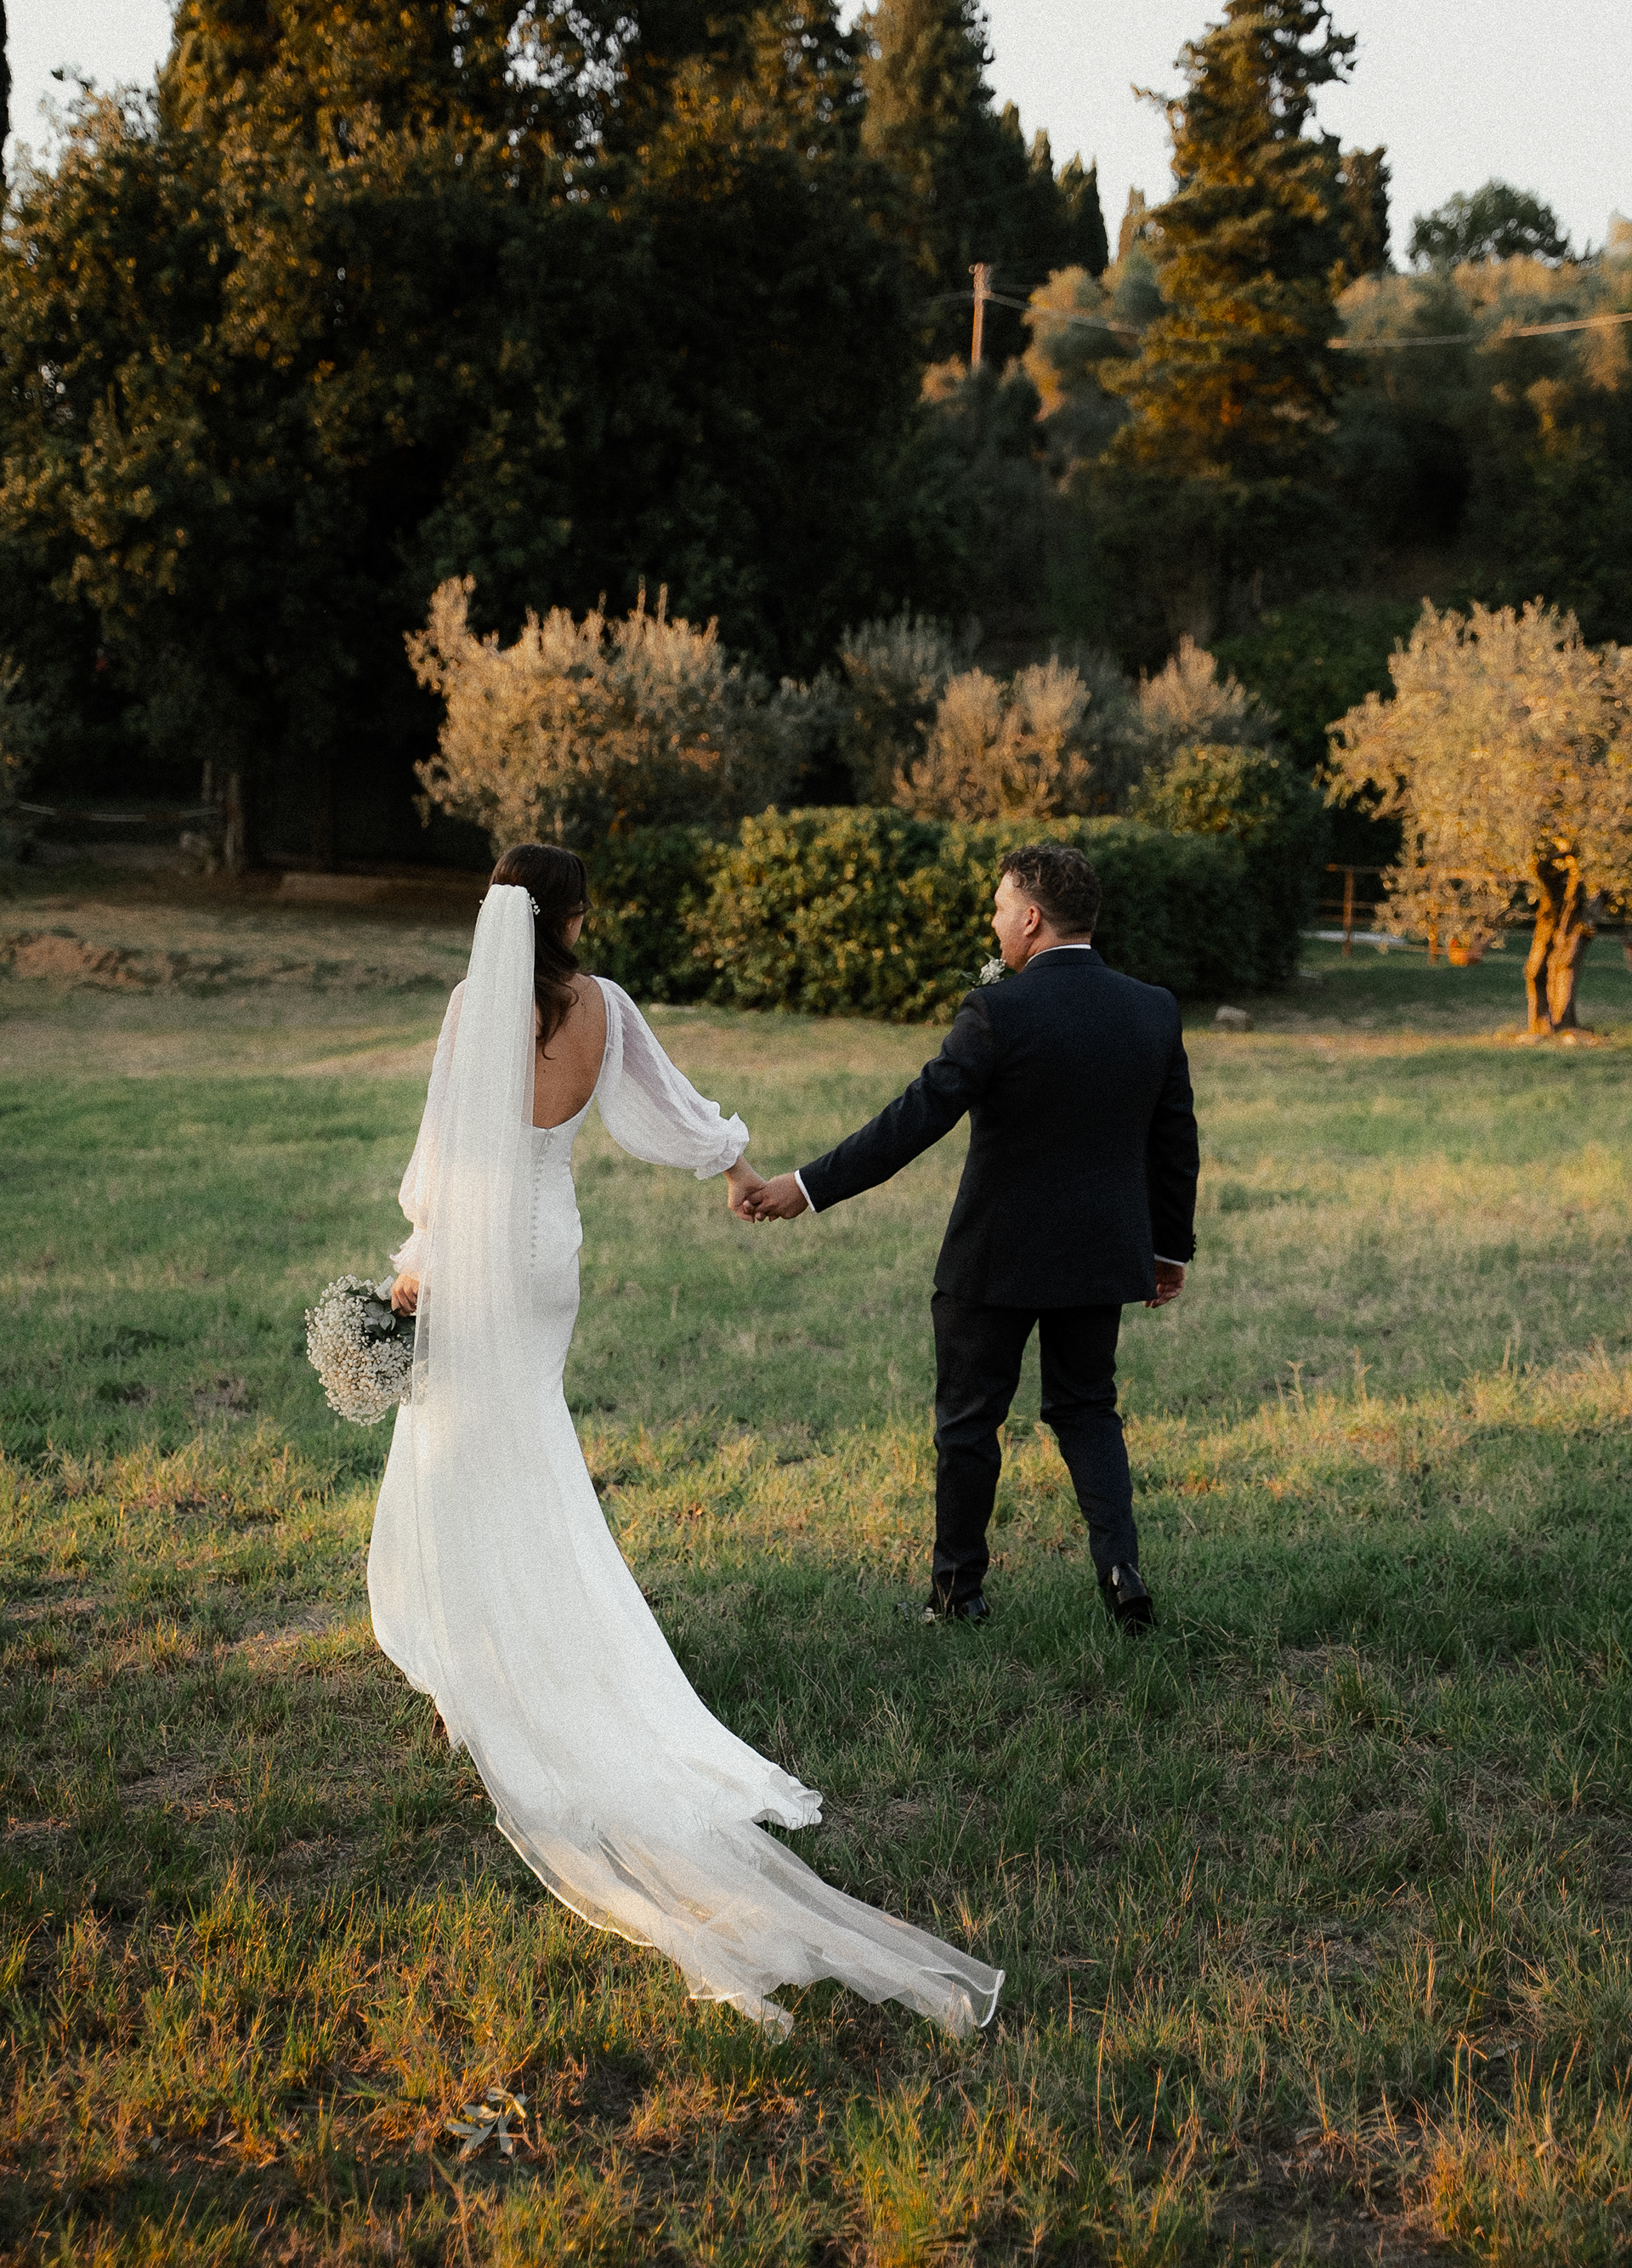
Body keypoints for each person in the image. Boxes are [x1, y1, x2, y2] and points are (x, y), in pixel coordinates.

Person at [368, 843, 1001, 2038]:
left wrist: (417, 1259)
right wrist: (742, 1171)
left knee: (459, 1443)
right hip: (545, 1250)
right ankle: (510, 1647)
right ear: (571, 917)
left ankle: (474, 1666)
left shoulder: (469, 1007)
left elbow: (441, 1152)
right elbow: (671, 1107)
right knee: (528, 1435)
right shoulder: (602, 1008)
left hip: (472, 1249)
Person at [744, 842, 1199, 1633]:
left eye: (999, 908)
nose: (993, 923)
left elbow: (914, 1119)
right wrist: (1168, 1250)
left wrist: (805, 1187)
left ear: (1032, 919)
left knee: (968, 1422)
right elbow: (1175, 1139)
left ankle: (958, 1593)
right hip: (1099, 1255)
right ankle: (1121, 1570)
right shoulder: (1152, 1008)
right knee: (1088, 1408)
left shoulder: (998, 1011)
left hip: (995, 1257)